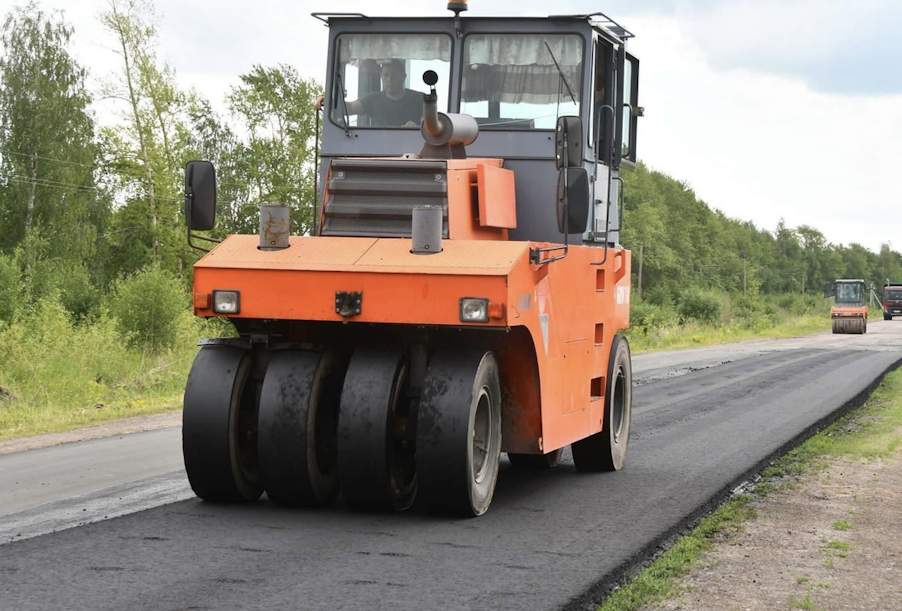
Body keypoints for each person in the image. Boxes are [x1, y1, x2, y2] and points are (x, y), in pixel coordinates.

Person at [315, 60, 423, 127]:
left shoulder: (420, 99)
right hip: (377, 149)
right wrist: (328, 101)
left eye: (394, 75)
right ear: (381, 76)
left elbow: (431, 127)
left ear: (403, 77)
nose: (389, 79)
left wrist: (418, 128)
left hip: (413, 152)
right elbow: (350, 107)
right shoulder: (372, 99)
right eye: (386, 75)